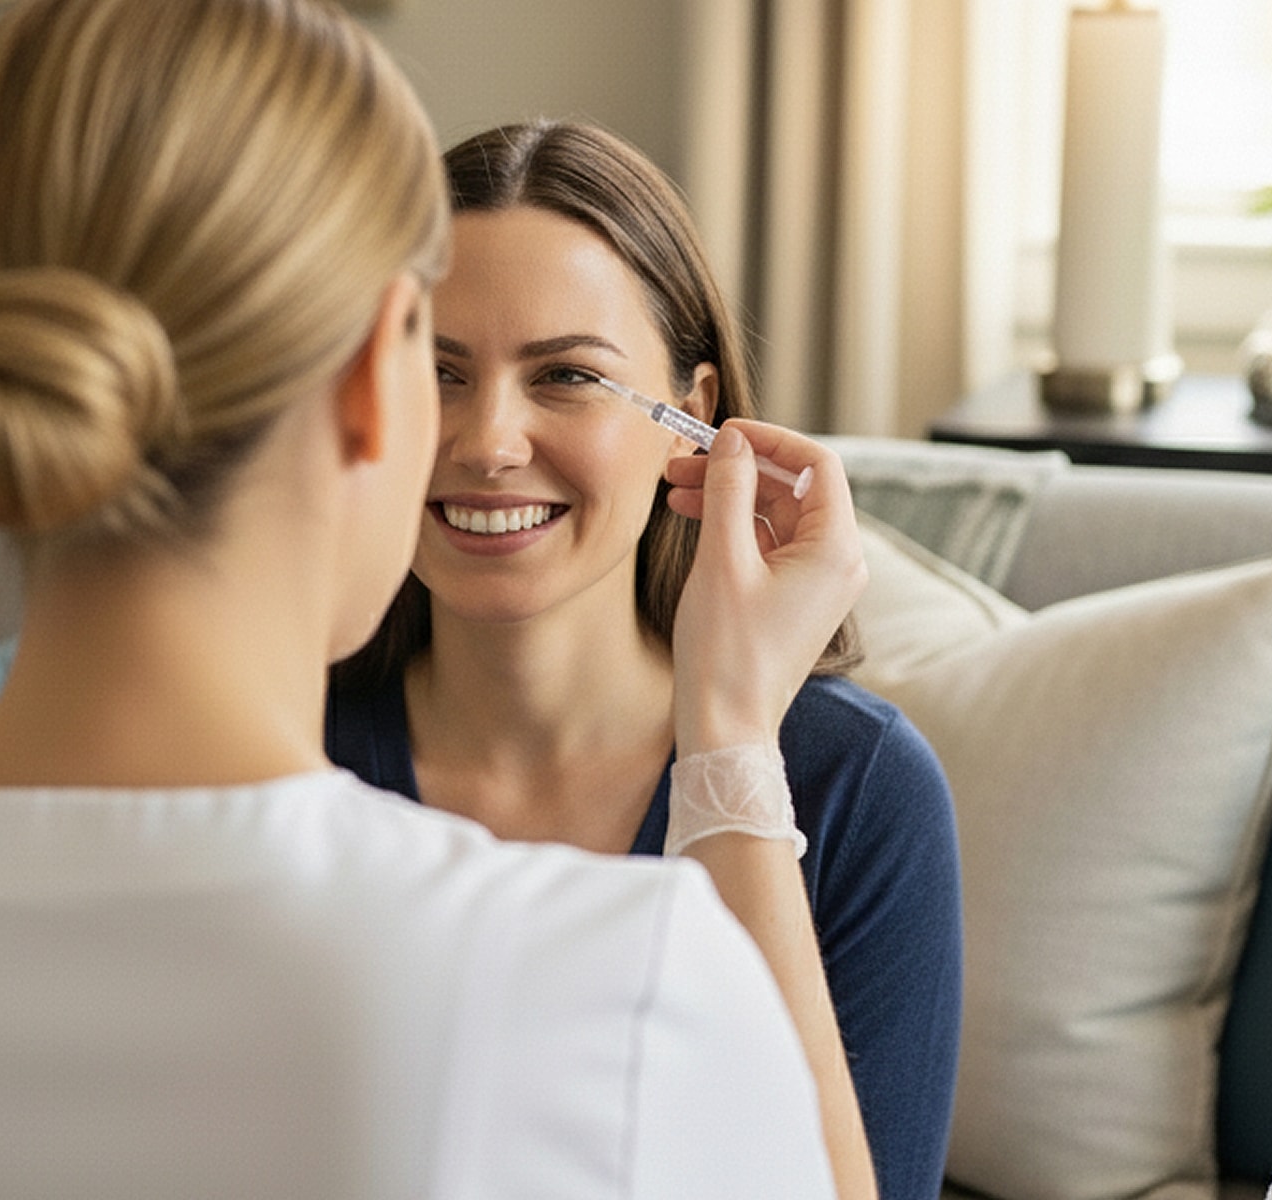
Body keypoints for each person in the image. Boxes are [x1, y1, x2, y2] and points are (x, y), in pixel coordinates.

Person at [0, 2, 875, 1198]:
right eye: (440, 357)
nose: (487, 439)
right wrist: (734, 755)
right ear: (382, 373)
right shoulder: (611, 977)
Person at [327, 119, 963, 1200]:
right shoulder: (283, 743)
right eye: (436, 370)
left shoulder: (858, 789)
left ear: (693, 418)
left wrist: (729, 745)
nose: (488, 441)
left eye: (566, 375)